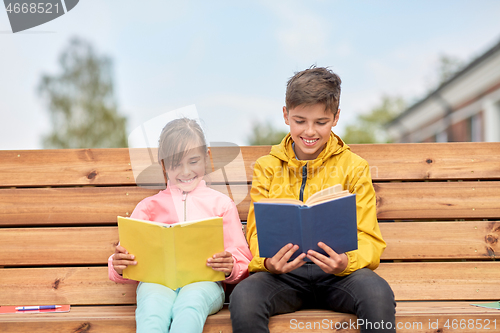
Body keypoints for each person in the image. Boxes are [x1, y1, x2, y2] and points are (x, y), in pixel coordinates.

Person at [229, 66, 396, 333]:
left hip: (339, 274)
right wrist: (269, 263)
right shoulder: (267, 167)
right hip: (283, 276)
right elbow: (256, 231)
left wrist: (346, 262)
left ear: (336, 117)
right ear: (285, 115)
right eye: (300, 120)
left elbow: (369, 237)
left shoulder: (354, 167)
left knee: (377, 294)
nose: (310, 132)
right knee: (245, 297)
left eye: (321, 122)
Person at [108, 117, 252, 333]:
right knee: (152, 311)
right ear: (164, 165)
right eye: (176, 164)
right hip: (156, 284)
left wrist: (231, 266)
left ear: (206, 157)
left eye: (193, 162)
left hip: (204, 283)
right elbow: (126, 259)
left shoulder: (221, 205)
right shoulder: (148, 207)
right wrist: (118, 265)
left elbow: (242, 259)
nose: (185, 172)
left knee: (189, 306)